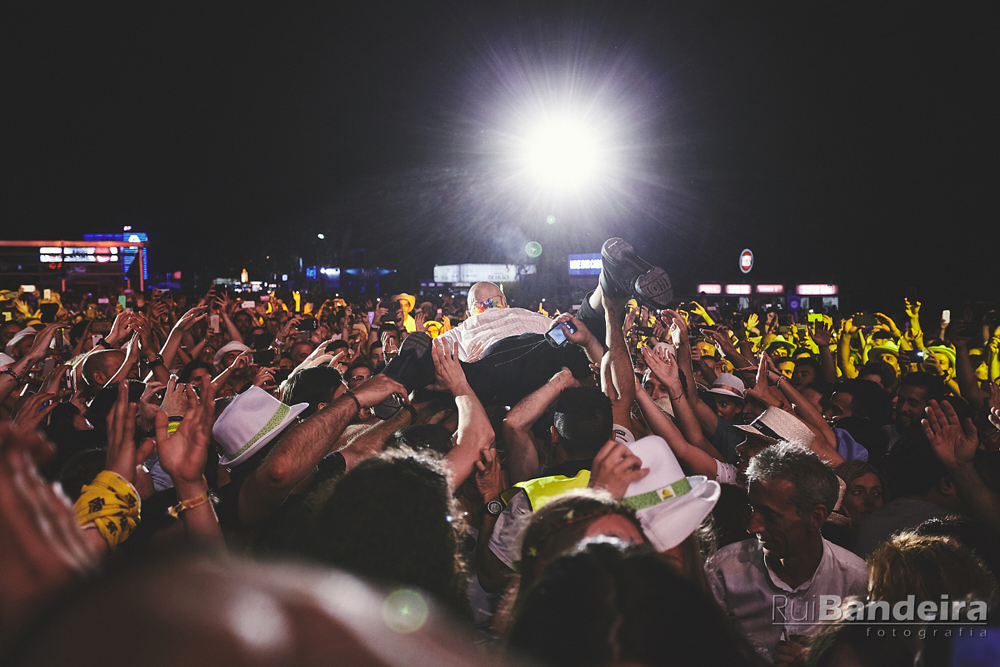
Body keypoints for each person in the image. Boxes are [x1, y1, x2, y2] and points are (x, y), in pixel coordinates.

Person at [706, 443, 867, 662]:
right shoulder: (724, 570)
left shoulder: (857, 581)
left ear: (815, 517)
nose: (752, 527)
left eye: (769, 515)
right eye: (752, 509)